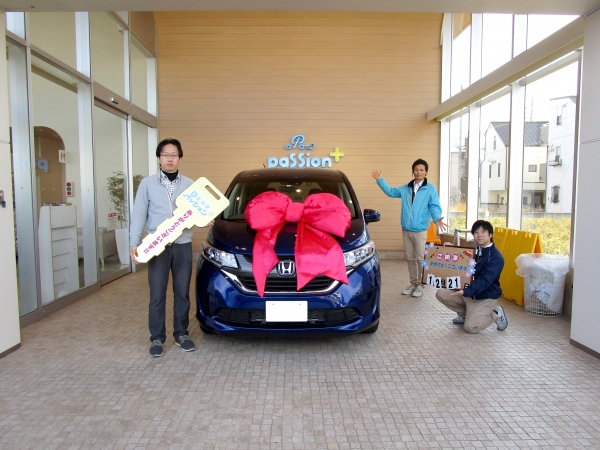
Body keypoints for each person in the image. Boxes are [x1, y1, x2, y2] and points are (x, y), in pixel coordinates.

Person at [130, 138, 213, 357]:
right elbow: (138, 215)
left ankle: (181, 333)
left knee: (182, 293)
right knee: (157, 294)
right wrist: (134, 243)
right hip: (157, 247)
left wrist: (205, 218)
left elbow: (199, 212)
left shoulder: (190, 185)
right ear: (159, 158)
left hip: (183, 245)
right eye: (165, 155)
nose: (169, 159)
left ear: (180, 158)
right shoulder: (147, 184)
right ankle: (157, 338)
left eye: (174, 155)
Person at [372, 159, 447, 297]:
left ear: (426, 172)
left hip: (420, 230)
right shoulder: (406, 188)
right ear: (412, 171)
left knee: (420, 258)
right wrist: (380, 180)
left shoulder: (430, 189)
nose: (418, 172)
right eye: (416, 169)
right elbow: (391, 192)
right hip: (406, 229)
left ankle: (421, 286)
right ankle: (413, 283)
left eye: (421, 170)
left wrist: (437, 218)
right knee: (410, 258)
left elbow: (434, 206)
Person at [436, 220, 508, 333]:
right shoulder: (475, 251)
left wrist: (465, 291)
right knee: (441, 294)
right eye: (476, 232)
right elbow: (462, 260)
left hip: (485, 297)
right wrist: (451, 250)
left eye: (483, 232)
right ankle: (465, 315)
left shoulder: (496, 258)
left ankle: (495, 313)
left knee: (470, 327)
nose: (479, 235)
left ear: (490, 234)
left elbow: (484, 281)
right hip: (469, 294)